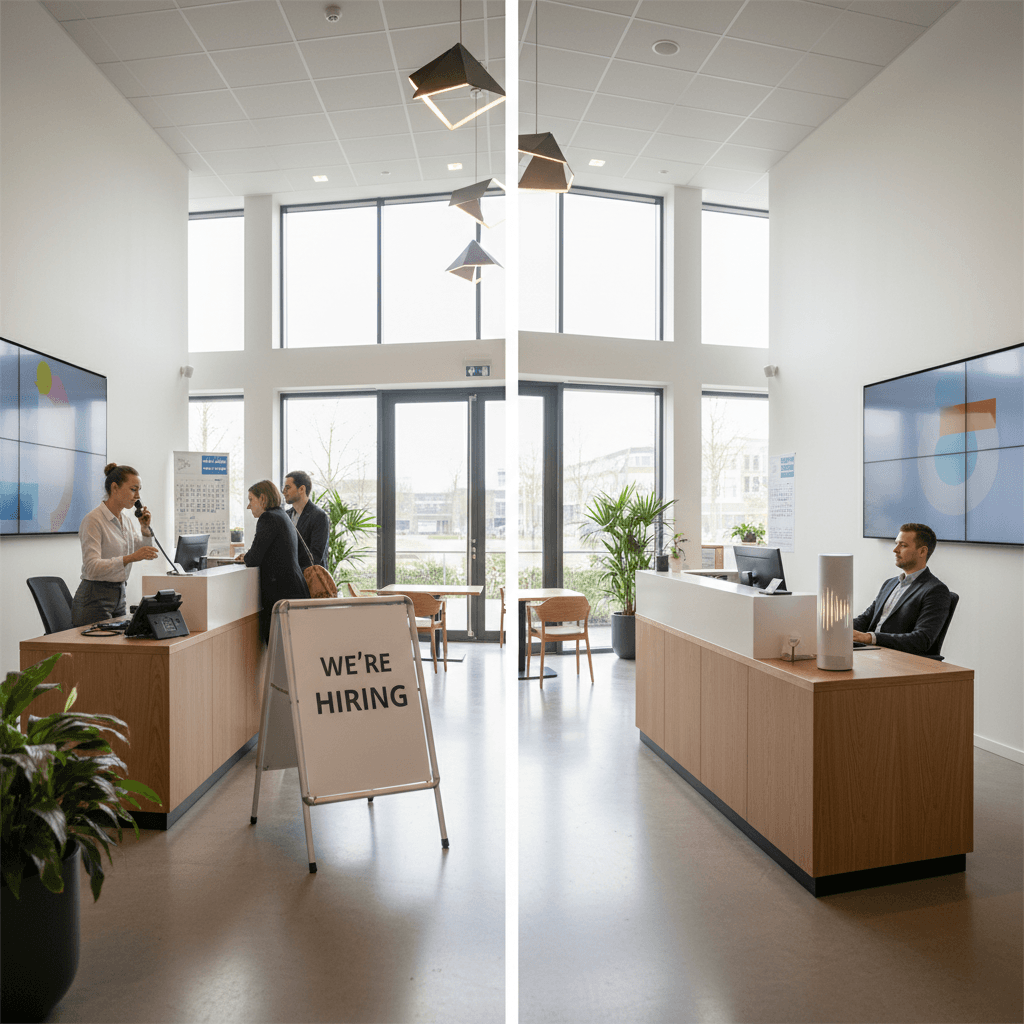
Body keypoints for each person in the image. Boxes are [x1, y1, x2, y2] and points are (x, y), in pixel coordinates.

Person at [72, 462, 159, 626]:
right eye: (133, 489)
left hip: (119, 593)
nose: (138, 496)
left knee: (122, 640)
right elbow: (92, 567)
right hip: (94, 598)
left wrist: (145, 530)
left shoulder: (125, 520)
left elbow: (143, 551)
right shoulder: (93, 520)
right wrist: (130, 558)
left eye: (139, 490)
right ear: (115, 488)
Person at [852, 523, 952, 655]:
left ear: (922, 551)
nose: (895, 550)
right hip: (871, 652)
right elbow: (865, 619)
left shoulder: (936, 590)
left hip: (897, 658)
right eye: (896, 544)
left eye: (903, 545)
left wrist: (870, 638)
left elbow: (921, 640)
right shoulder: (890, 584)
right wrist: (836, 627)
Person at [236, 480, 309, 644]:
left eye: (251, 499)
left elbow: (253, 558)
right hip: (294, 593)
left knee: (280, 650)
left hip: (281, 597)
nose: (248, 506)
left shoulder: (268, 518)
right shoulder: (281, 515)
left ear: (262, 498)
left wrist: (245, 557)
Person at [282, 469, 330, 572]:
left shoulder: (319, 516)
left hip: (309, 579)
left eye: (288, 488)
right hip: (289, 578)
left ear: (301, 489)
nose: (283, 492)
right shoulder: (286, 516)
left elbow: (315, 558)